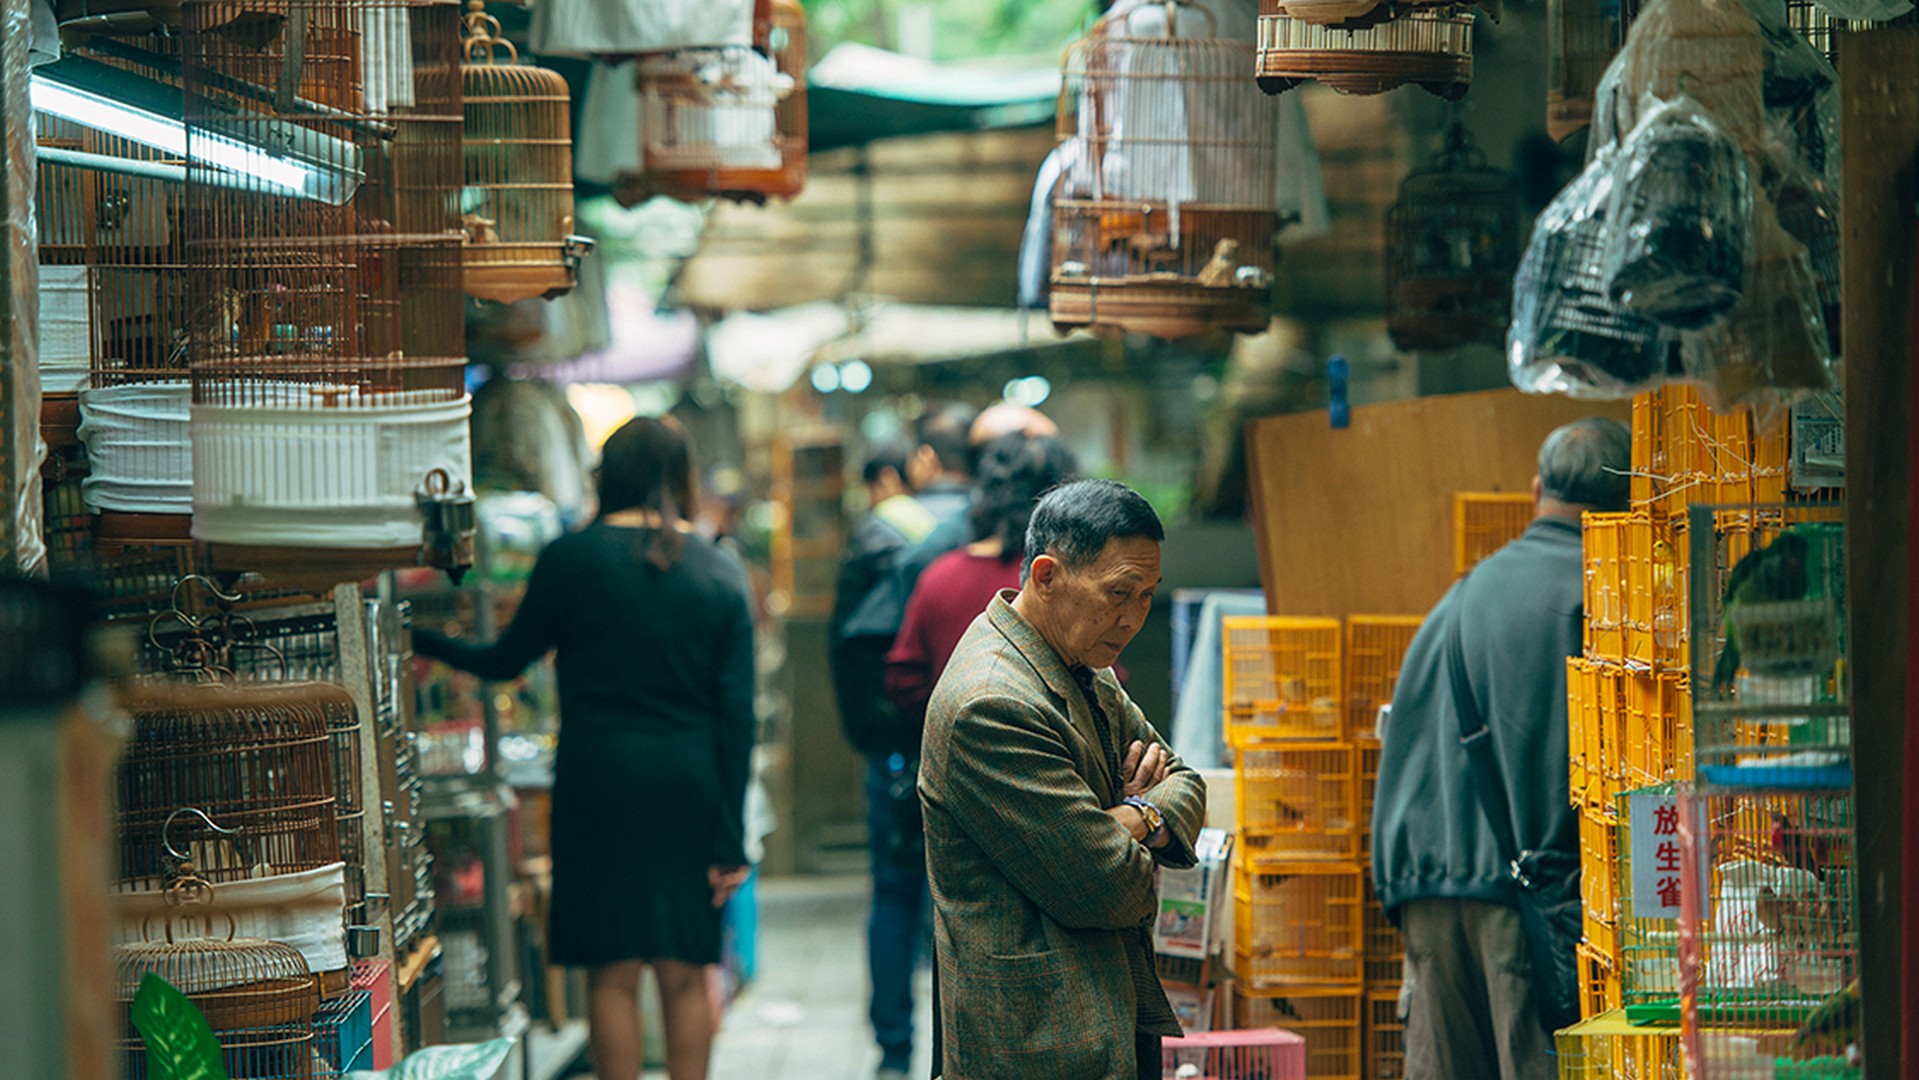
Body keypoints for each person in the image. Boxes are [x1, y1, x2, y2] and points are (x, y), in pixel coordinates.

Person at [412, 416, 754, 1080]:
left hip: (598, 776)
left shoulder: (570, 558)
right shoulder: (718, 568)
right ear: (681, 477)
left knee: (612, 969)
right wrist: (729, 837)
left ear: (609, 474)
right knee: (687, 968)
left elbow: (505, 661)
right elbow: (735, 718)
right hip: (689, 779)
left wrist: (419, 639)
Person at [1370, 417, 1632, 1080]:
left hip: (1423, 890)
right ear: (1630, 500)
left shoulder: (1459, 597)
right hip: (1526, 903)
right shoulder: (1605, 594)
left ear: (1536, 488)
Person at [920, 478, 1205, 1080]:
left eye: (1147, 596)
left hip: (1107, 1016)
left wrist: (1138, 814)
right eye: (1119, 593)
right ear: (1046, 576)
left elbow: (1185, 782)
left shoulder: (1079, 658)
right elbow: (1107, 886)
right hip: (1039, 1039)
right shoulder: (992, 701)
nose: (1132, 618)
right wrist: (1143, 810)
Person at [830, 407, 975, 1080]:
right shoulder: (1003, 531)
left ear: (922, 461)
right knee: (973, 903)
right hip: (981, 750)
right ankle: (964, 1050)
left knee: (893, 895)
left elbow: (847, 647)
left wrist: (870, 738)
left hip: (897, 748)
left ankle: (893, 1054)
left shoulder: (882, 527)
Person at [885, 432, 1079, 724]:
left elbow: (903, 678)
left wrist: (951, 720)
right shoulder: (1061, 580)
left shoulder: (940, 575)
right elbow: (1104, 677)